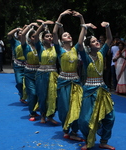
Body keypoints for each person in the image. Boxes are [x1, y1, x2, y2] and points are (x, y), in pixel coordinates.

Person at [78, 22, 115, 150]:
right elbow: (79, 45)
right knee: (84, 120)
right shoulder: (86, 57)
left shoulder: (101, 53)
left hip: (102, 90)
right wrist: (84, 28)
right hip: (89, 90)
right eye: (94, 41)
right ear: (89, 46)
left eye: (97, 40)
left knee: (110, 117)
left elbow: (109, 39)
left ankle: (104, 141)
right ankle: (89, 140)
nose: (97, 42)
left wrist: (107, 27)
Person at [53, 9, 84, 141]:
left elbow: (83, 35)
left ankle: (75, 131)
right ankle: (66, 129)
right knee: (65, 107)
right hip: (63, 81)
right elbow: (54, 32)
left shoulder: (76, 48)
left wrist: (82, 18)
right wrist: (60, 16)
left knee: (77, 105)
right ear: (61, 39)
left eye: (69, 34)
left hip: (76, 81)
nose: (68, 35)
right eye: (65, 35)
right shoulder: (59, 49)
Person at [33, 19, 58, 124]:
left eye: (51, 36)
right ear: (43, 38)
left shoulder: (56, 47)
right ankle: (43, 114)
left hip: (53, 74)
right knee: (43, 95)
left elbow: (58, 34)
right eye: (47, 36)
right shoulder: (40, 47)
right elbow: (35, 36)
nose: (50, 38)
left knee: (53, 96)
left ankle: (50, 116)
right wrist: (43, 25)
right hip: (42, 74)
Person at [21, 22, 40, 121]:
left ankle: (39, 110)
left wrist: (42, 27)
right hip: (29, 73)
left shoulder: (40, 46)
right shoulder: (26, 46)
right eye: (33, 36)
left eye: (36, 36)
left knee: (39, 93)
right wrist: (30, 25)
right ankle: (32, 113)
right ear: (30, 38)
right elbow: (23, 34)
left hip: (40, 73)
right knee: (32, 93)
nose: (35, 38)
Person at [7, 26, 28, 104]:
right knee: (19, 82)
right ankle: (21, 94)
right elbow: (9, 35)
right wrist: (17, 29)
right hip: (18, 66)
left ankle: (28, 98)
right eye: (20, 33)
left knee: (28, 83)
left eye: (23, 32)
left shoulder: (28, 42)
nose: (22, 33)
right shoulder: (14, 42)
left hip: (28, 66)